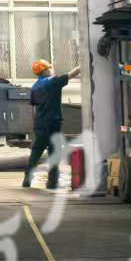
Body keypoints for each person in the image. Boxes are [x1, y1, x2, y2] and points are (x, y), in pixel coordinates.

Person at [23, 58, 79, 190]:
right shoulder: (53, 82)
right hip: (53, 123)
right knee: (54, 153)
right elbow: (71, 74)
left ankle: (27, 179)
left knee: (36, 152)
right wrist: (83, 65)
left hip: (40, 123)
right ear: (45, 70)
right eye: (50, 67)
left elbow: (34, 106)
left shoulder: (35, 86)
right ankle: (52, 183)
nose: (52, 69)